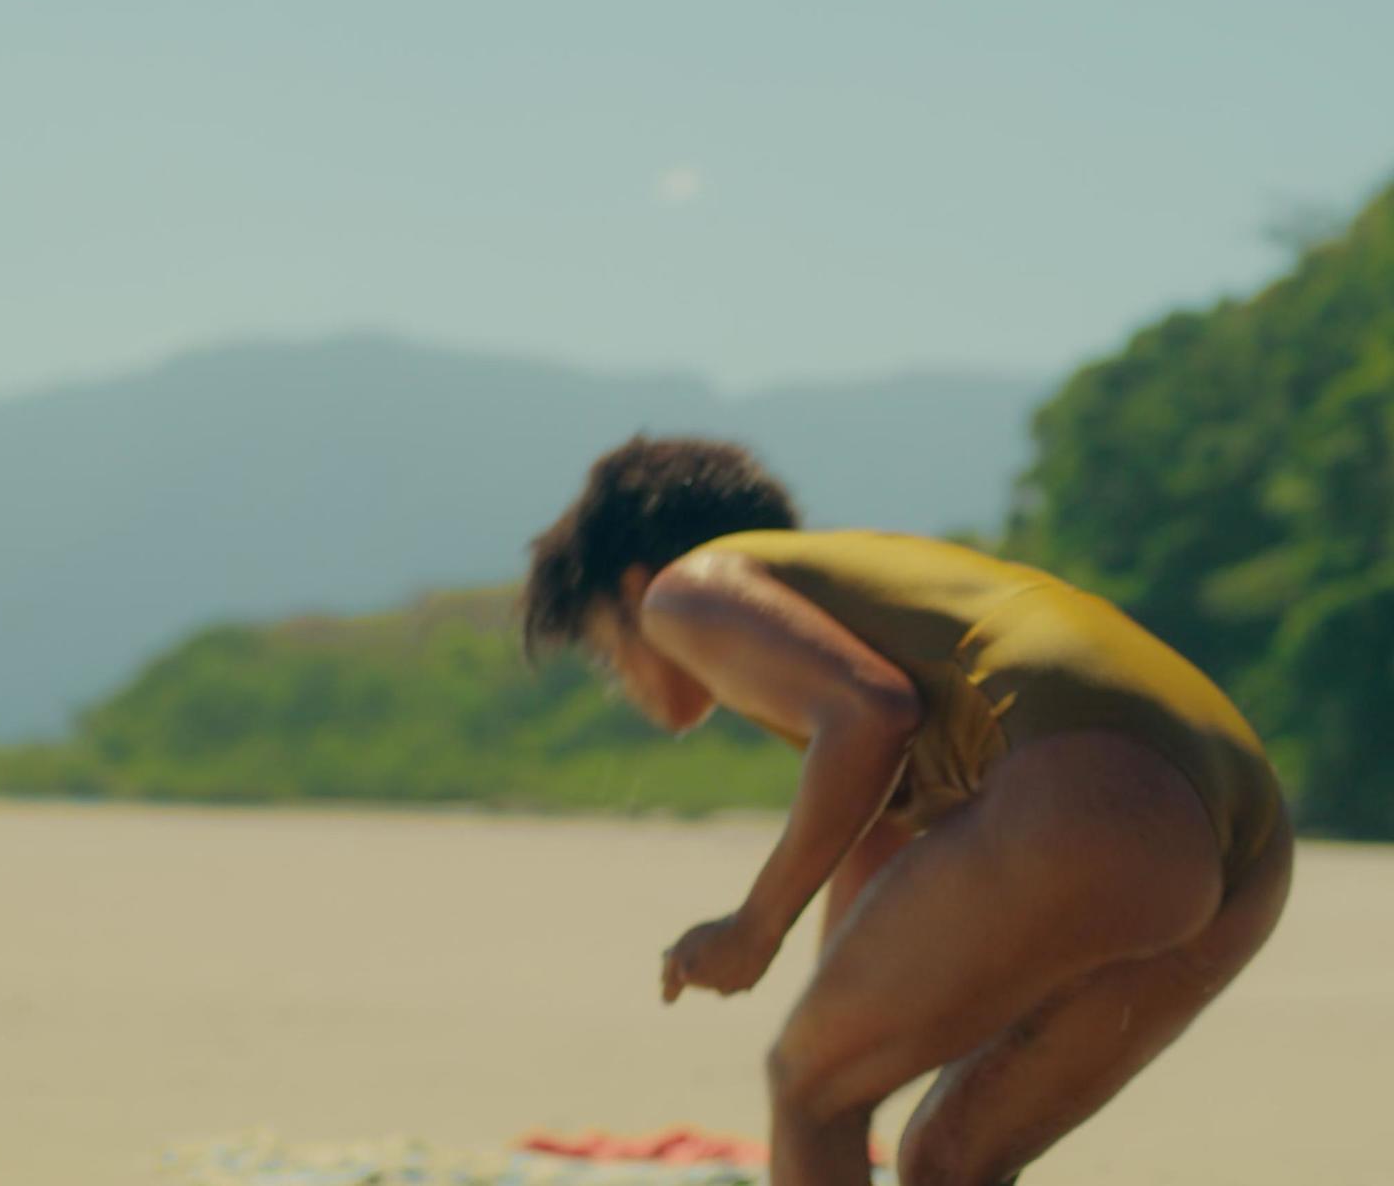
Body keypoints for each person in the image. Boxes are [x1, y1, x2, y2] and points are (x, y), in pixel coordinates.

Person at [518, 435, 1293, 1186]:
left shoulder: (685, 591)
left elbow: (871, 714)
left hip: (1091, 783)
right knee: (947, 1159)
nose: (617, 676)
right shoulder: (862, 595)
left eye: (602, 649)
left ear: (630, 588)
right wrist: (846, 1031)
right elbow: (873, 843)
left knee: (809, 1091)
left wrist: (754, 929)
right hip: (1244, 835)